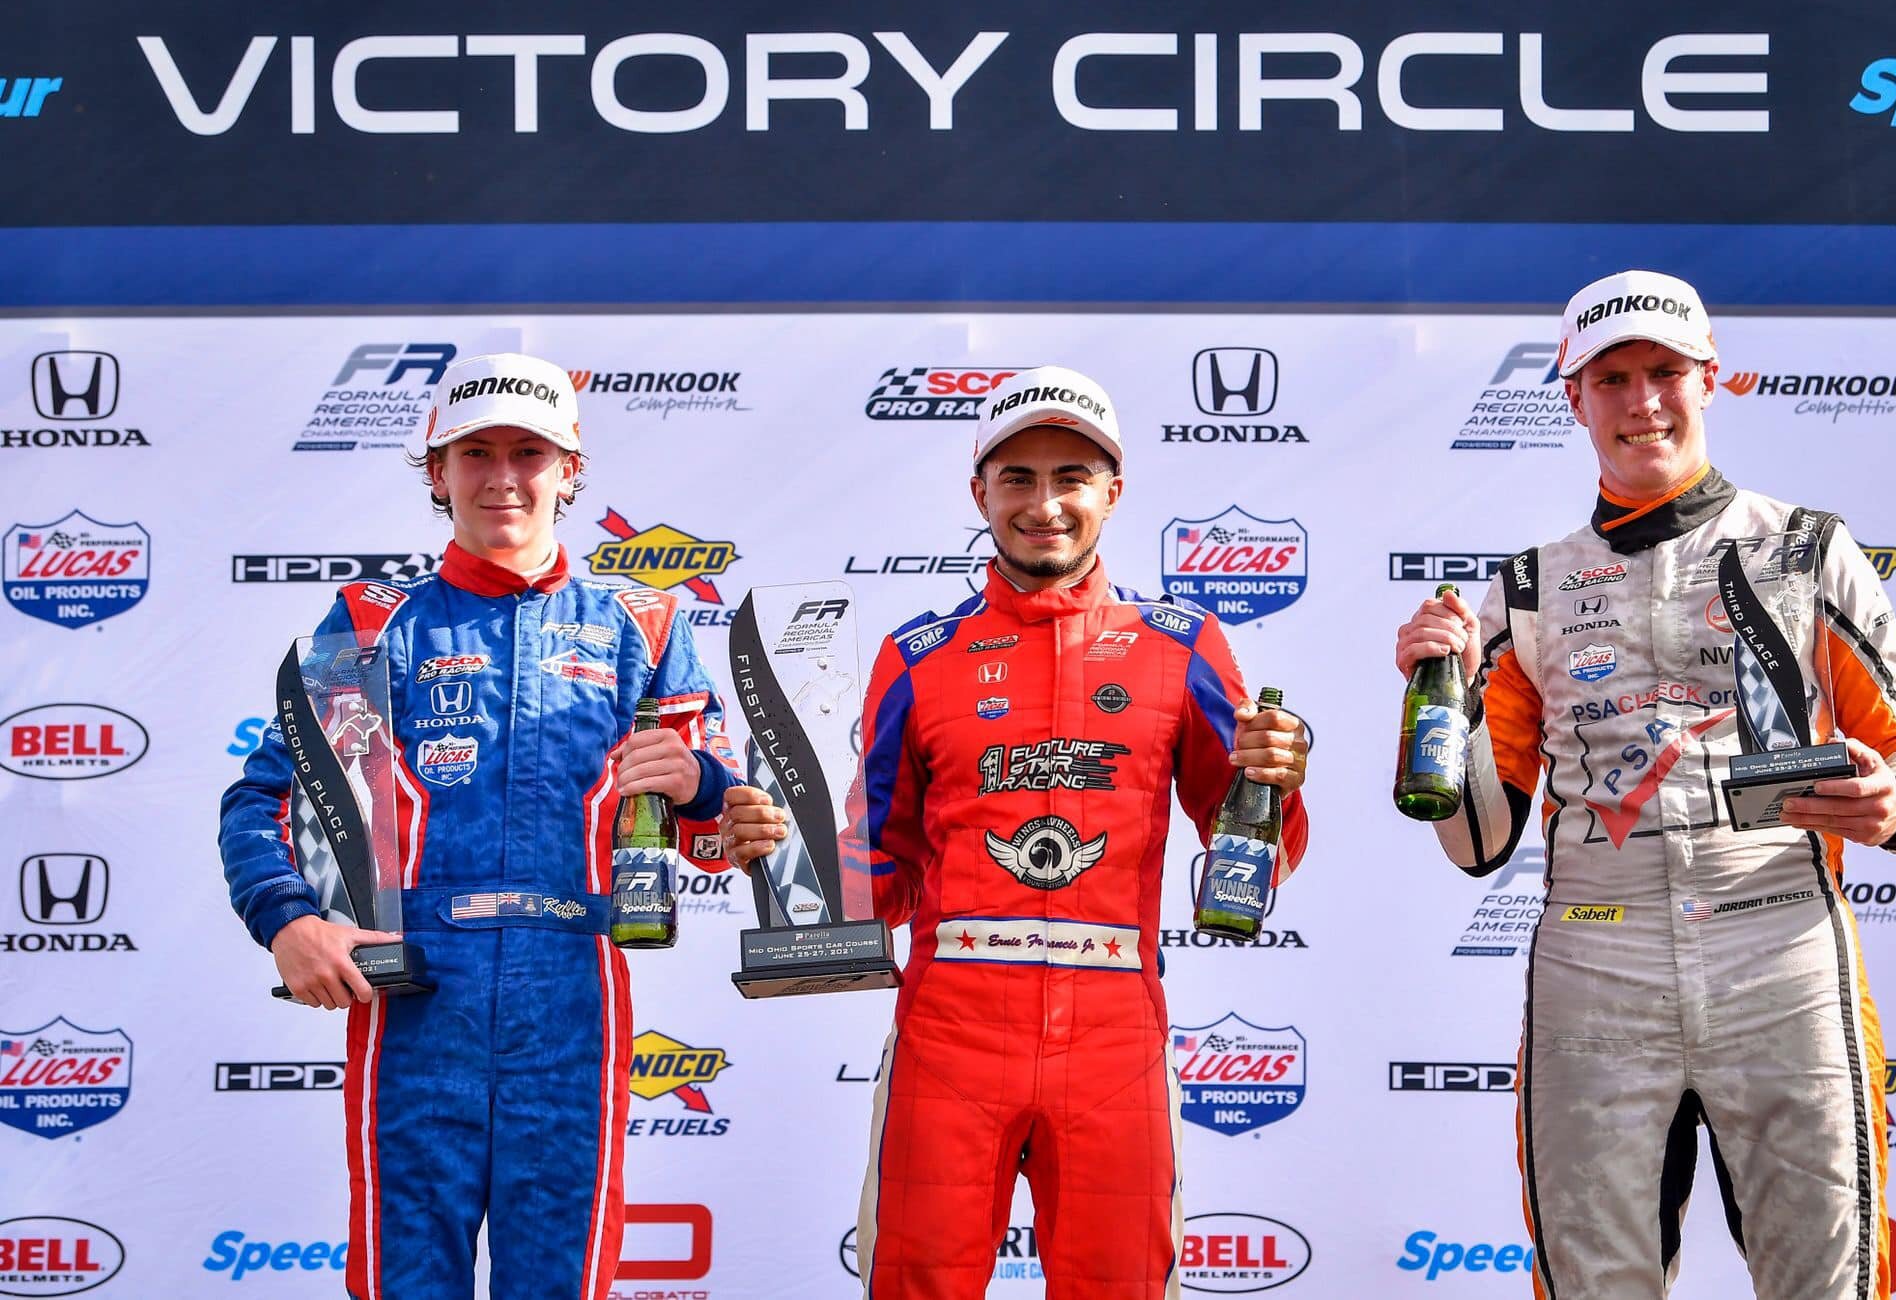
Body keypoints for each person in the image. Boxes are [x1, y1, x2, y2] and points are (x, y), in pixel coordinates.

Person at [1393, 272, 1896, 1300]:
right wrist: (1442, 707)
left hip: (1776, 946)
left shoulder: (1804, 548)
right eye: (1611, 378)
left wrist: (1894, 802)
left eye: (1662, 372)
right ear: (1572, 398)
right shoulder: (1524, 587)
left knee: (1828, 1278)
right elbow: (1475, 840)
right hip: (1593, 959)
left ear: (1710, 381)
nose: (1640, 399)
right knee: (1592, 1281)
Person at [721, 366, 1310, 1299]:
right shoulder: (917, 657)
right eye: (1019, 478)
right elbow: (882, 865)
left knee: (1118, 1283)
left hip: (1115, 1026)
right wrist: (779, 853)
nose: (1046, 505)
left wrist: (1279, 780)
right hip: (952, 1022)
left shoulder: (1183, 643)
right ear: (980, 492)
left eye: (1071, 476)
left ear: (1113, 492)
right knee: (916, 1281)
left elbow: (1245, 849)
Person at [218, 352, 739, 1300]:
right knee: (405, 1281)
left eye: (529, 452)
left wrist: (708, 784)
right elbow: (263, 802)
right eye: (477, 452)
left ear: (569, 468)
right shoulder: (371, 622)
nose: (504, 476)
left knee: (562, 1283)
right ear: (436, 471)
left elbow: (717, 834)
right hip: (417, 994)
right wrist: (289, 919)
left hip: (573, 990)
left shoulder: (645, 625)